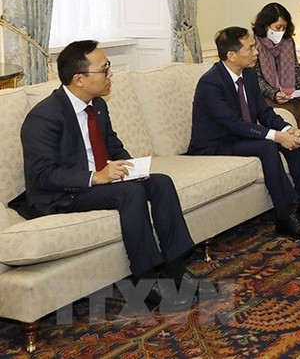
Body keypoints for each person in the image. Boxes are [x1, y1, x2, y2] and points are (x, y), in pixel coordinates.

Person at [11, 41, 197, 311]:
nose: (110, 74)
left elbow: (111, 144)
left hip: (99, 182)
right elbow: (42, 175)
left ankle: (175, 266)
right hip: (62, 194)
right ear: (80, 79)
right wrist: (95, 177)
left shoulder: (97, 105)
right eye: (104, 70)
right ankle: (145, 279)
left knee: (160, 182)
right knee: (130, 193)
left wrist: (131, 166)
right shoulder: (44, 116)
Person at [188, 27, 300, 239]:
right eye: (250, 48)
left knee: (294, 141)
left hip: (242, 137)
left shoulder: (248, 75)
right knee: (268, 146)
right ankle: (286, 214)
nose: (256, 52)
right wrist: (277, 136)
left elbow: (264, 112)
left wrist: (287, 129)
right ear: (232, 55)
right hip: (216, 144)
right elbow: (234, 124)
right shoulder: (210, 83)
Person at [252, 2, 300, 129]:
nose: (281, 31)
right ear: (266, 26)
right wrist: (274, 94)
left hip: (289, 92)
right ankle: (292, 143)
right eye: (278, 27)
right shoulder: (254, 43)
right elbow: (256, 78)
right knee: (289, 110)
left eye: (284, 27)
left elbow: (295, 68)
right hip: (266, 95)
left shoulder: (288, 42)